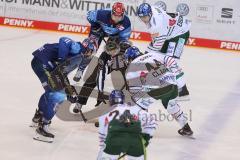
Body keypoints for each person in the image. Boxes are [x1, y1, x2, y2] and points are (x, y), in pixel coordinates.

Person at [30, 37, 96, 143]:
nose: (90, 56)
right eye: (92, 52)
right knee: (58, 95)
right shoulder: (78, 49)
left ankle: (39, 116)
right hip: (43, 63)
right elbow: (64, 40)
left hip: (38, 62)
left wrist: (69, 91)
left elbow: (62, 74)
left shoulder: (78, 55)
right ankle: (43, 126)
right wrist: (61, 59)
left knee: (51, 92)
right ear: (89, 49)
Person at [125, 46, 193, 137]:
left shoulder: (130, 68)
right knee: (172, 105)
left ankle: (139, 127)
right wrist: (179, 80)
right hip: (172, 85)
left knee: (136, 104)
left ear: (129, 58)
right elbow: (171, 60)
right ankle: (186, 128)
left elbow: (134, 90)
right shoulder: (152, 54)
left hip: (154, 90)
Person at [137, 3, 191, 100]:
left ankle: (183, 91)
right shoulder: (152, 10)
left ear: (149, 14)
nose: (143, 20)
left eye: (145, 17)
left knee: (171, 62)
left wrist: (144, 57)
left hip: (180, 33)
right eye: (141, 17)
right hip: (169, 33)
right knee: (155, 59)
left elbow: (156, 47)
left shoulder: (156, 24)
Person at [97, 90, 156, 160]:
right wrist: (147, 137)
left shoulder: (104, 115)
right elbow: (151, 119)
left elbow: (103, 137)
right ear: (123, 100)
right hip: (134, 140)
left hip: (114, 140)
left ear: (110, 101)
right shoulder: (133, 109)